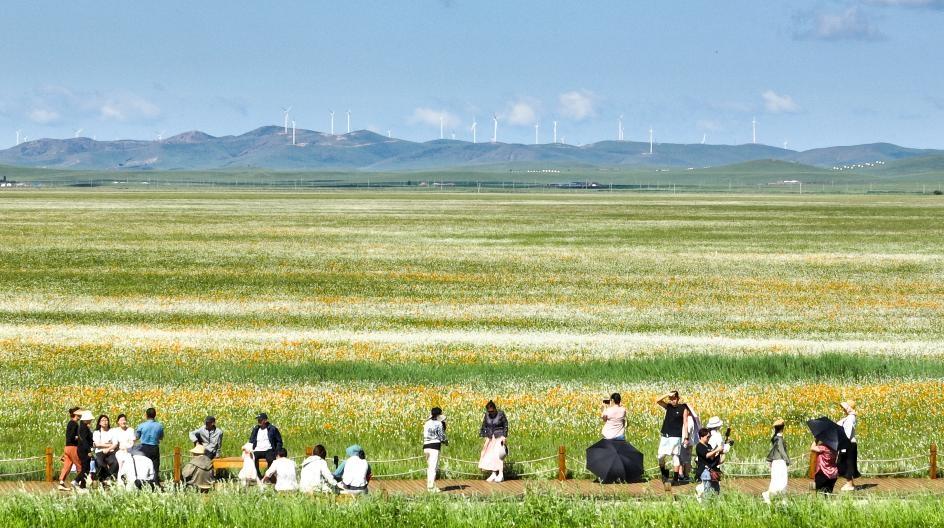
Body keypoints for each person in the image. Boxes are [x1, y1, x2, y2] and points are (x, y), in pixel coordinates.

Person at [656, 391, 691, 486]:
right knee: (660, 456)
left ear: (678, 398)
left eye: (674, 398)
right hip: (665, 435)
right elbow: (658, 401)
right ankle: (664, 472)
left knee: (675, 456)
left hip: (676, 436)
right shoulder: (668, 407)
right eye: (671, 399)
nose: (672, 400)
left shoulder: (683, 408)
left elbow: (685, 422)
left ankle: (675, 479)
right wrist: (667, 394)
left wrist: (686, 437)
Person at [478, 400, 508, 483]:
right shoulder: (487, 415)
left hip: (499, 436)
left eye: (492, 411)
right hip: (490, 437)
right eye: (489, 411)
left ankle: (501, 474)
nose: (491, 413)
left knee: (499, 456)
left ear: (495, 409)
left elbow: (505, 424)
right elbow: (484, 425)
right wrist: (483, 434)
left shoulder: (501, 414)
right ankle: (493, 473)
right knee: (490, 455)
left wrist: (504, 436)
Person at [763, 418, 790, 504]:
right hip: (780, 462)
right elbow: (781, 450)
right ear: (782, 428)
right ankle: (770, 496)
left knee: (776, 480)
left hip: (776, 462)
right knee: (782, 481)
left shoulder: (776, 438)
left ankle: (780, 499)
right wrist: (787, 460)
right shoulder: (779, 439)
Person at [135, 407, 164, 484]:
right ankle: (156, 483)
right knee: (155, 466)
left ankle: (144, 482)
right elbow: (161, 437)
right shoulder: (159, 426)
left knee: (144, 466)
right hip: (154, 447)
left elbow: (137, 437)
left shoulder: (142, 425)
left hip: (144, 447)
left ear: (146, 415)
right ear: (155, 415)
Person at [249, 413, 283, 478]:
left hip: (268, 449)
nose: (258, 421)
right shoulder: (256, 429)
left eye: (260, 420)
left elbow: (279, 441)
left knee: (271, 459)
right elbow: (251, 440)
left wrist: (277, 451)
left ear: (265, 420)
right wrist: (250, 449)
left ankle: (270, 476)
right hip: (257, 449)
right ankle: (258, 476)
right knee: (251, 458)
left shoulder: (272, 429)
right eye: (258, 420)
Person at [694, 427, 724, 500]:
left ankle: (715, 502)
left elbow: (712, 458)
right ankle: (705, 503)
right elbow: (706, 455)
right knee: (707, 489)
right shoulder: (699, 446)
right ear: (701, 437)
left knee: (716, 489)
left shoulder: (709, 446)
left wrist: (721, 452)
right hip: (705, 470)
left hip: (712, 470)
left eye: (709, 437)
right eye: (707, 437)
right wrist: (716, 450)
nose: (709, 438)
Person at [837, 400, 860, 492]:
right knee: (848, 462)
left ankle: (849, 484)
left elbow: (848, 432)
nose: (843, 410)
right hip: (849, 443)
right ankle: (850, 483)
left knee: (847, 463)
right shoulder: (850, 417)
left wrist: (843, 445)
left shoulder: (850, 418)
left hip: (848, 443)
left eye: (845, 408)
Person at [423, 407, 448, 492]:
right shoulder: (439, 423)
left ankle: (429, 485)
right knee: (433, 467)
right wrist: (446, 441)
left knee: (429, 467)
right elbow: (441, 436)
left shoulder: (427, 423)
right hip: (435, 446)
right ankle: (431, 487)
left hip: (426, 446)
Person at [57, 407, 82, 491]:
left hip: (67, 447)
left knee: (67, 465)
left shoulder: (70, 423)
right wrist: (79, 437)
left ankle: (61, 483)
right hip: (73, 447)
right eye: (80, 413)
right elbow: (72, 436)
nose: (81, 415)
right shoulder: (74, 424)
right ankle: (79, 483)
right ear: (75, 414)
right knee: (80, 465)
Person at [92, 414, 119, 483]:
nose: (105, 422)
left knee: (115, 463)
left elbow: (115, 444)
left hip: (110, 452)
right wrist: (109, 444)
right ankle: (103, 479)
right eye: (103, 420)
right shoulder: (96, 432)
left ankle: (109, 479)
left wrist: (108, 449)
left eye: (106, 420)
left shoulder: (112, 431)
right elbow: (97, 444)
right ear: (99, 423)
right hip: (99, 452)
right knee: (100, 464)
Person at [73, 410, 95, 490]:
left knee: (86, 468)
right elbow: (84, 440)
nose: (91, 420)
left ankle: (81, 484)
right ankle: (78, 482)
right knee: (86, 468)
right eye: (89, 419)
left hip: (83, 450)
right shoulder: (83, 428)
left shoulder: (84, 426)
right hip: (84, 451)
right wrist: (89, 451)